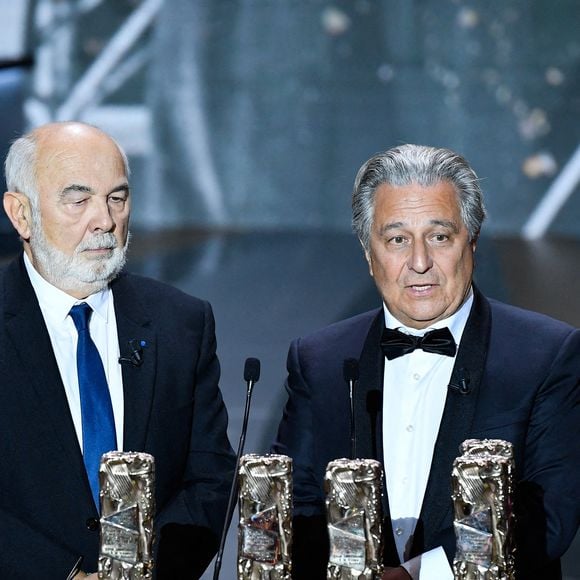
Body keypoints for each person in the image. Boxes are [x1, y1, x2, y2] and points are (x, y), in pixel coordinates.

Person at [272, 144, 580, 579]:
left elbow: (549, 516)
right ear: (367, 251)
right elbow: (296, 504)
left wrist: (422, 575)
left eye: (439, 237)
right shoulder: (319, 359)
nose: (419, 263)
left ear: (471, 241)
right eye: (397, 239)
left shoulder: (547, 355)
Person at [0, 121, 236, 579]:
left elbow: (209, 479)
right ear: (21, 214)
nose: (105, 220)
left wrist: (144, 572)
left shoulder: (181, 322)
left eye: (117, 197)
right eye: (78, 198)